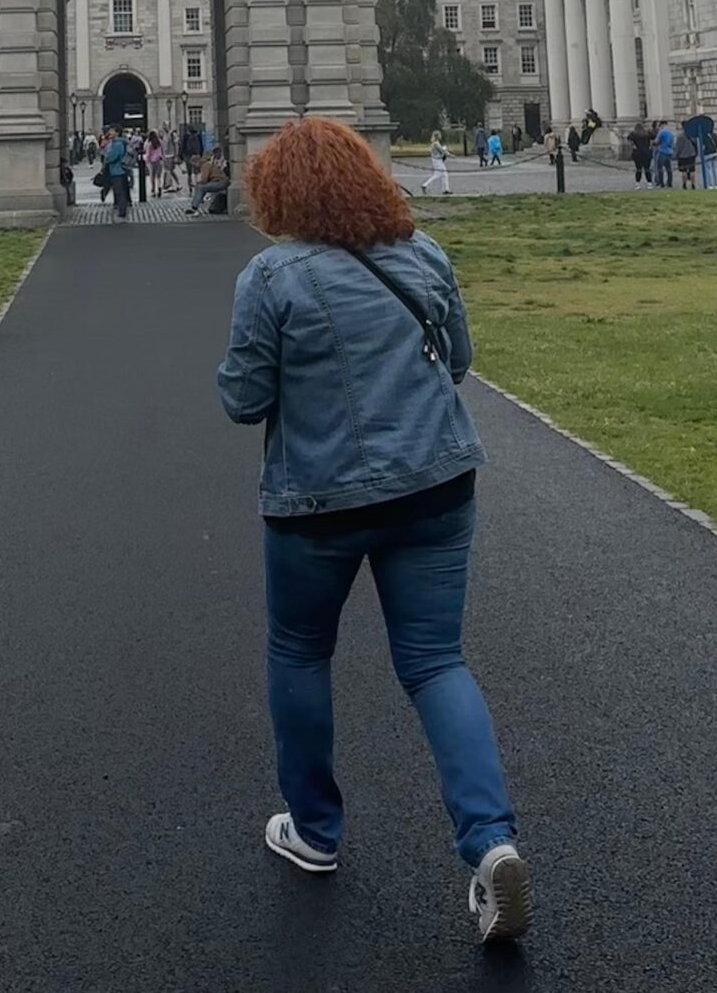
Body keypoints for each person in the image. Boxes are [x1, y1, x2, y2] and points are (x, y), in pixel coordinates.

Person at [217, 116, 529, 945]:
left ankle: (314, 831)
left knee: (299, 654)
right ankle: (489, 842)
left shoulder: (270, 276)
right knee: (434, 663)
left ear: (276, 191)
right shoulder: (421, 254)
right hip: (435, 483)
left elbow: (242, 399)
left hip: (317, 501)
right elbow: (457, 359)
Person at [684, 110, 717, 189]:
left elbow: (701, 145)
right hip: (715, 152)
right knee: (715, 169)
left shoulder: (703, 136)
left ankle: (710, 184)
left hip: (707, 153)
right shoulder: (714, 135)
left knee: (708, 169)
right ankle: (716, 184)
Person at [188, 151, 230, 217]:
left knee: (200, 187)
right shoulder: (206, 165)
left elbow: (204, 179)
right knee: (200, 187)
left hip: (219, 182)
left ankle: (195, 206)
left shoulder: (205, 166)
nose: (195, 167)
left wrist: (197, 183)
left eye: (194, 164)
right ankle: (198, 202)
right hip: (219, 182)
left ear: (197, 162)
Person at [102, 127, 131, 220]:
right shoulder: (115, 143)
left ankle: (122, 210)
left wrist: (107, 157)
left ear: (117, 132)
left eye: (111, 130)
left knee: (119, 191)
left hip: (117, 170)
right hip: (116, 170)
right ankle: (121, 207)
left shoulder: (117, 144)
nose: (109, 132)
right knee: (119, 190)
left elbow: (112, 157)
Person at [626, 120, 654, 186]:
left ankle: (637, 183)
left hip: (637, 153)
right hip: (647, 153)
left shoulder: (633, 134)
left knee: (638, 169)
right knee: (647, 168)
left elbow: (629, 140)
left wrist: (633, 146)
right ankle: (649, 183)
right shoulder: (647, 134)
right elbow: (653, 137)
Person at [652, 118, 676, 189]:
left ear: (662, 125)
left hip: (662, 151)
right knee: (669, 168)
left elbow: (656, 141)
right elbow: (672, 143)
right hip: (669, 152)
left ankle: (661, 182)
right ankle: (669, 182)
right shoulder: (670, 133)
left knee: (659, 168)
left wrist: (653, 143)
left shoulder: (661, 132)